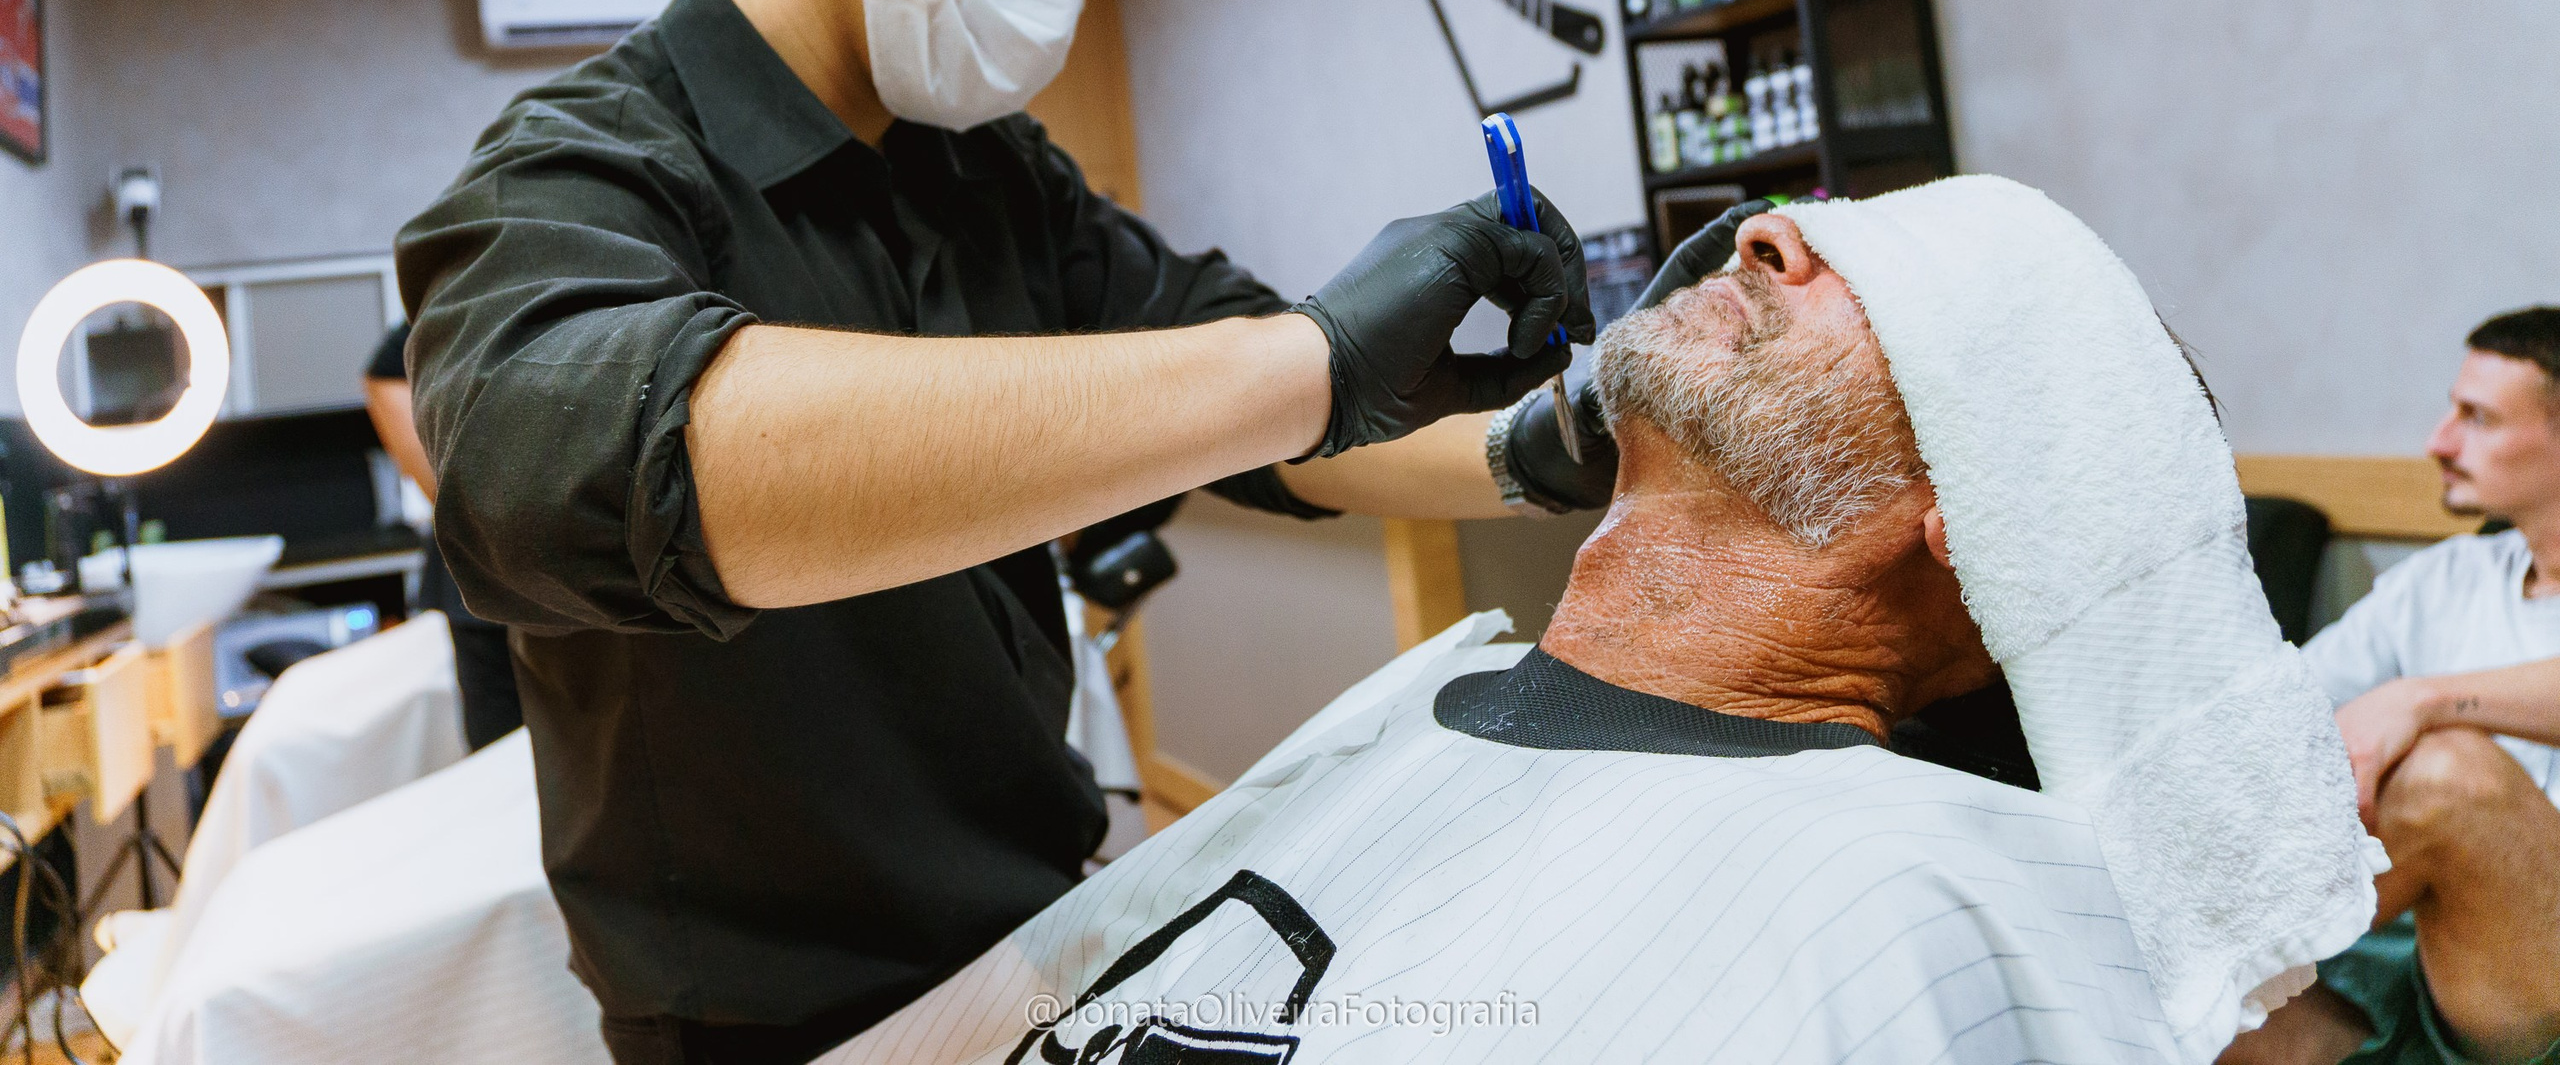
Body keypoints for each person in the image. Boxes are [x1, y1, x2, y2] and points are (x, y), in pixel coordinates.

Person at [398, 0, 1600, 1065]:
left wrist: (1554, 438)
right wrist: (1309, 367)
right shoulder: (579, 165)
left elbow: (1260, 401)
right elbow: (592, 463)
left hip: (1039, 928)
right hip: (774, 1014)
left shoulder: (989, 174)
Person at [819, 180, 2377, 1065]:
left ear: (1983, 534)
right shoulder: (1434, 700)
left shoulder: (1908, 903)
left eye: (1900, 290)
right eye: (1813, 216)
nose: (1765, 231)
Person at [2229, 308, 2560, 1065]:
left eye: (2477, 418)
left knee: (2450, 774)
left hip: (2541, 977)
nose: (2438, 441)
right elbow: (2277, 711)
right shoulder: (2445, 580)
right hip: (2403, 967)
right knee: (2199, 1015)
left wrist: (2422, 698)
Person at [361, 322, 524, 751]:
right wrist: (450, 489)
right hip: (485, 581)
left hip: (564, 575)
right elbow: (385, 371)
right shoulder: (485, 273)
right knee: (505, 774)